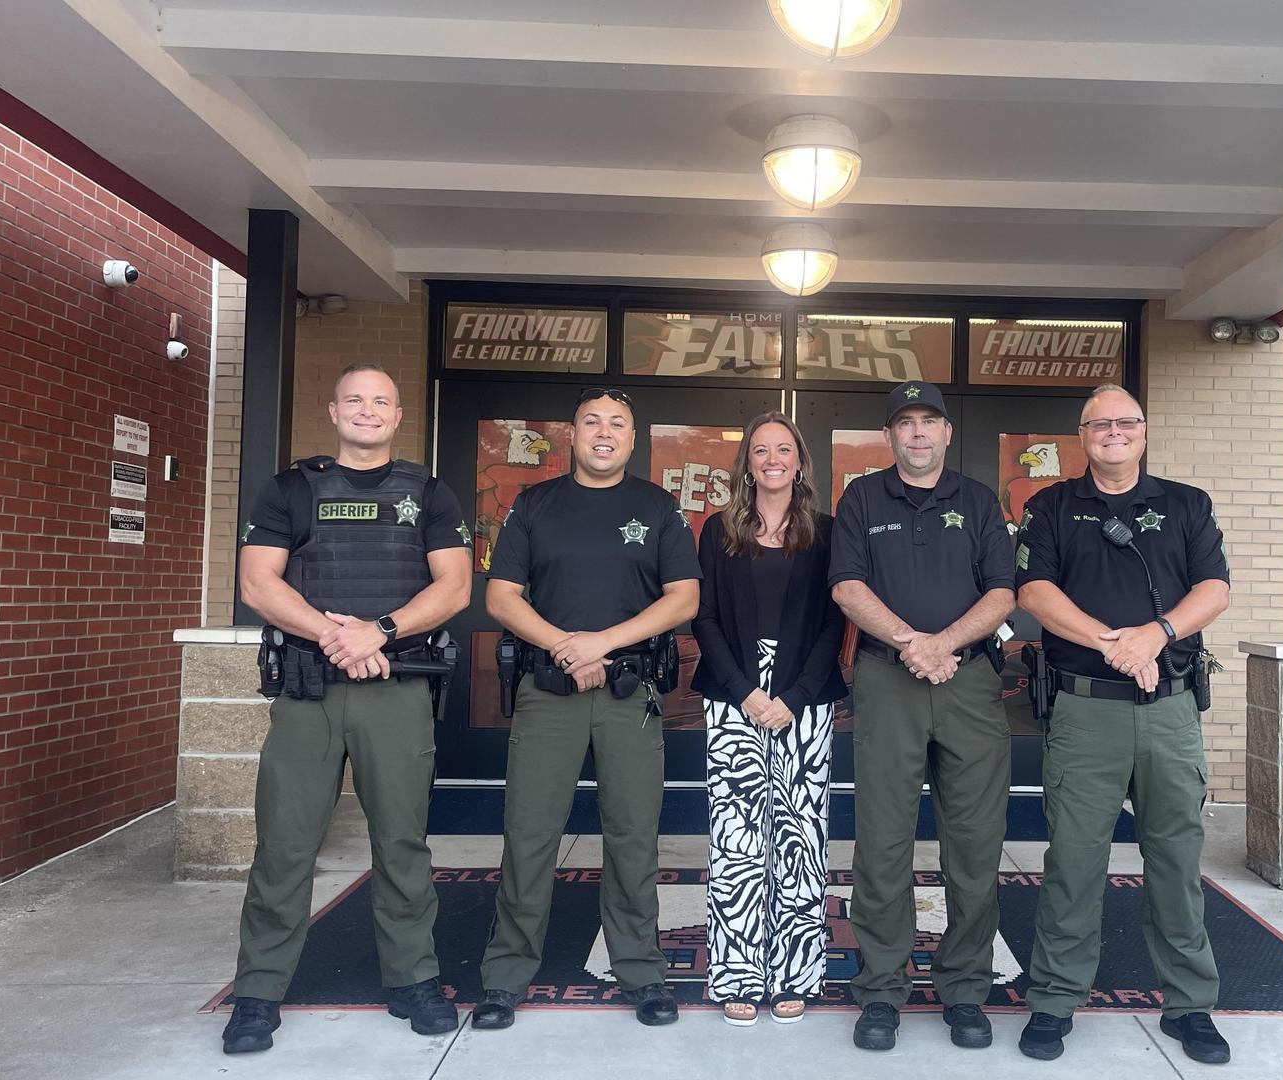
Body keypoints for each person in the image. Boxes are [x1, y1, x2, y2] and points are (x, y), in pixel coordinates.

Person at [223, 364, 473, 1054]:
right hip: (308, 691)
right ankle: (258, 991)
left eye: (381, 402)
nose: (368, 411)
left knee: (401, 842)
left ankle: (414, 979)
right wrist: (336, 636)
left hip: (395, 691)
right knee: (285, 844)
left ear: (397, 417)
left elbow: (453, 587)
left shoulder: (428, 493)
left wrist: (381, 630)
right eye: (355, 400)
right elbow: (256, 581)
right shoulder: (290, 490)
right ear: (334, 411)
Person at [1013, 383, 1232, 1064]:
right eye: (1100, 423)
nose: (1113, 431)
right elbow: (1034, 593)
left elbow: (1215, 589)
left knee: (1174, 861)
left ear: (1143, 431)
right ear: (1082, 436)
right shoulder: (1049, 506)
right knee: (1074, 862)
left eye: (1126, 422)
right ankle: (1053, 998)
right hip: (1085, 710)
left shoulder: (1187, 504)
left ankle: (1189, 1006)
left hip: (1168, 711)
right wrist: (1118, 642)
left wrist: (1157, 635)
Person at [473, 388, 700, 1031]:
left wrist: (605, 643)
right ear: (571, 433)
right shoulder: (533, 504)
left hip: (630, 694)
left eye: (618, 424)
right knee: (530, 834)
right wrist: (568, 649)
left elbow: (683, 598)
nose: (605, 433)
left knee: (632, 837)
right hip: (550, 692)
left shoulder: (657, 507)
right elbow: (502, 598)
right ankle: (506, 976)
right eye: (593, 421)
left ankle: (642, 972)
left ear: (633, 439)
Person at [828, 380, 1016, 1052]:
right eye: (903, 423)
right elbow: (847, 586)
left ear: (945, 433)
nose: (916, 433)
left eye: (928, 421)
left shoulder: (978, 500)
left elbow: (1002, 591)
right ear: (889, 436)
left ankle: (965, 988)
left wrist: (945, 645)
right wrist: (914, 644)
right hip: (889, 681)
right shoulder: (861, 498)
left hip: (967, 686)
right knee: (882, 843)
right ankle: (880, 988)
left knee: (973, 844)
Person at [691, 412, 848, 1027]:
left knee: (800, 839)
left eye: (784, 449)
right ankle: (737, 973)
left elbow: (836, 620)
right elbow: (702, 616)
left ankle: (797, 972)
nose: (772, 459)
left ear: (801, 462)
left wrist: (798, 693)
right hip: (733, 694)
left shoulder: (828, 532)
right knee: (737, 840)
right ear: (747, 462)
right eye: (761, 450)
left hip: (804, 697)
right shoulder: (719, 530)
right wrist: (743, 690)